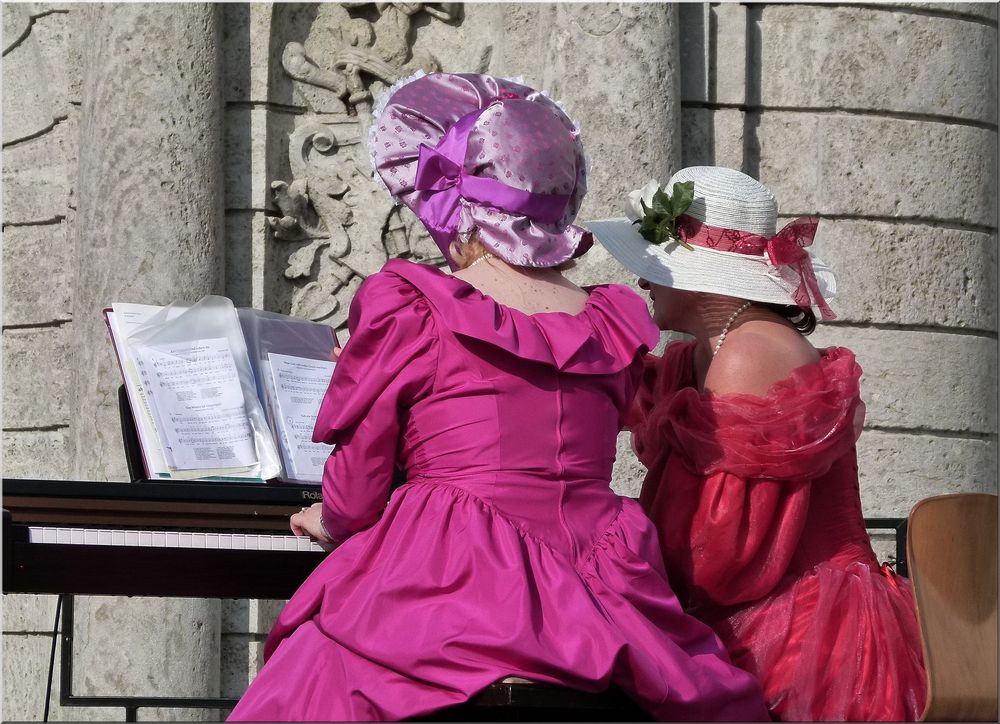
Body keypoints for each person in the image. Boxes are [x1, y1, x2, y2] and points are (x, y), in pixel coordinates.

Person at [227, 76, 768, 722]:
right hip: (599, 579)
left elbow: (361, 478)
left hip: (452, 574)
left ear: (457, 205)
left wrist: (333, 519)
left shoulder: (411, 305)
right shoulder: (608, 321)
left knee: (315, 679)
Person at [587, 165, 928, 721]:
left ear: (701, 275)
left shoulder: (753, 350)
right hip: (752, 610)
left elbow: (722, 555)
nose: (643, 281)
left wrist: (603, 548)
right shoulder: (697, 357)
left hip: (806, 635)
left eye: (656, 266)